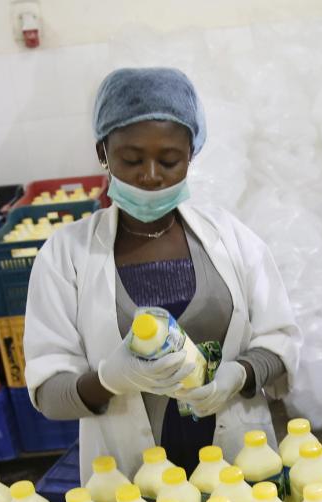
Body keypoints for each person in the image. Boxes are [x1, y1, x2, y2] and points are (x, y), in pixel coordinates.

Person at [23, 67, 301, 478]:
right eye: (131, 159)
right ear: (102, 152)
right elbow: (49, 392)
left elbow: (280, 341)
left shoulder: (230, 238)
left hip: (238, 468)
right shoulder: (66, 256)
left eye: (169, 160)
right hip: (129, 478)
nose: (151, 176)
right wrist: (109, 379)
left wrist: (240, 374)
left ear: (192, 154)